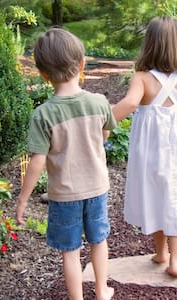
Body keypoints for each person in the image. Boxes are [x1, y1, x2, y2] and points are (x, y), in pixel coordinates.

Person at [15, 28, 116, 300]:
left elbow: (37, 160)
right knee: (98, 240)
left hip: (64, 195)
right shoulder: (99, 103)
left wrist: (23, 199)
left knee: (70, 251)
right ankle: (102, 291)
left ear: (43, 74)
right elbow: (104, 135)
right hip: (96, 188)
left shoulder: (43, 114)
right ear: (82, 64)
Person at [112, 16, 177, 277]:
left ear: (149, 45)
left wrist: (105, 122)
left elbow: (130, 104)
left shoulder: (142, 78)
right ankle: (176, 260)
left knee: (155, 197)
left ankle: (162, 253)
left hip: (149, 155)